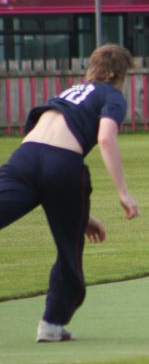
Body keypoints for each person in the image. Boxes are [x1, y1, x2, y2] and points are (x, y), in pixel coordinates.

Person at [0, 44, 140, 342]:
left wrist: (80, 215)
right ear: (120, 73)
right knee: (69, 251)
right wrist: (123, 192)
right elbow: (105, 137)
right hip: (63, 165)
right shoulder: (112, 95)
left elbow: (39, 145)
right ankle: (51, 324)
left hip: (23, 159)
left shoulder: (69, 92)